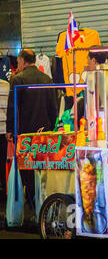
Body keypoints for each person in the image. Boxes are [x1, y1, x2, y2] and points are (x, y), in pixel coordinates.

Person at [6, 49, 58, 208]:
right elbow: (53, 107)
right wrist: (51, 127)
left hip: (24, 132)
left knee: (27, 168)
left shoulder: (18, 79)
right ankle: (43, 202)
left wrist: (10, 129)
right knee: (42, 167)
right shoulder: (47, 79)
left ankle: (34, 202)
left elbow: (13, 106)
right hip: (44, 132)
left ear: (22, 61)